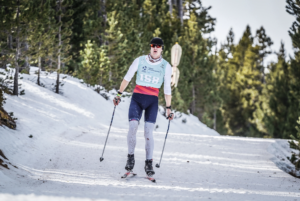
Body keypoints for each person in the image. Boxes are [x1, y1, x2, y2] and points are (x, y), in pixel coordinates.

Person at [113, 37, 174, 176]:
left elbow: (167, 89)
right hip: (137, 98)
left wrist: (169, 108)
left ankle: (148, 163)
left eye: (158, 45)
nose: (155, 47)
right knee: (133, 127)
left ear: (161, 49)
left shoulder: (166, 66)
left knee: (148, 132)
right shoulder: (140, 60)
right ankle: (130, 158)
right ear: (150, 47)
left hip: (152, 101)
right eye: (153, 45)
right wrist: (119, 95)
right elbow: (127, 77)